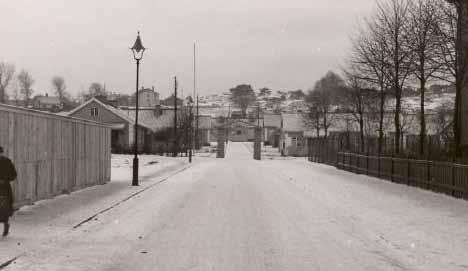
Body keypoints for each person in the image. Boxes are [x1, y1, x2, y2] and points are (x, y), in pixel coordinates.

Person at [0, 146, 17, 237]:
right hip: (5, 188)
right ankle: (6, 224)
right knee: (4, 207)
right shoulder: (7, 161)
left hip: (4, 188)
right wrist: (5, 179)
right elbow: (13, 175)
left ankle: (6, 225)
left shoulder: (7, 161)